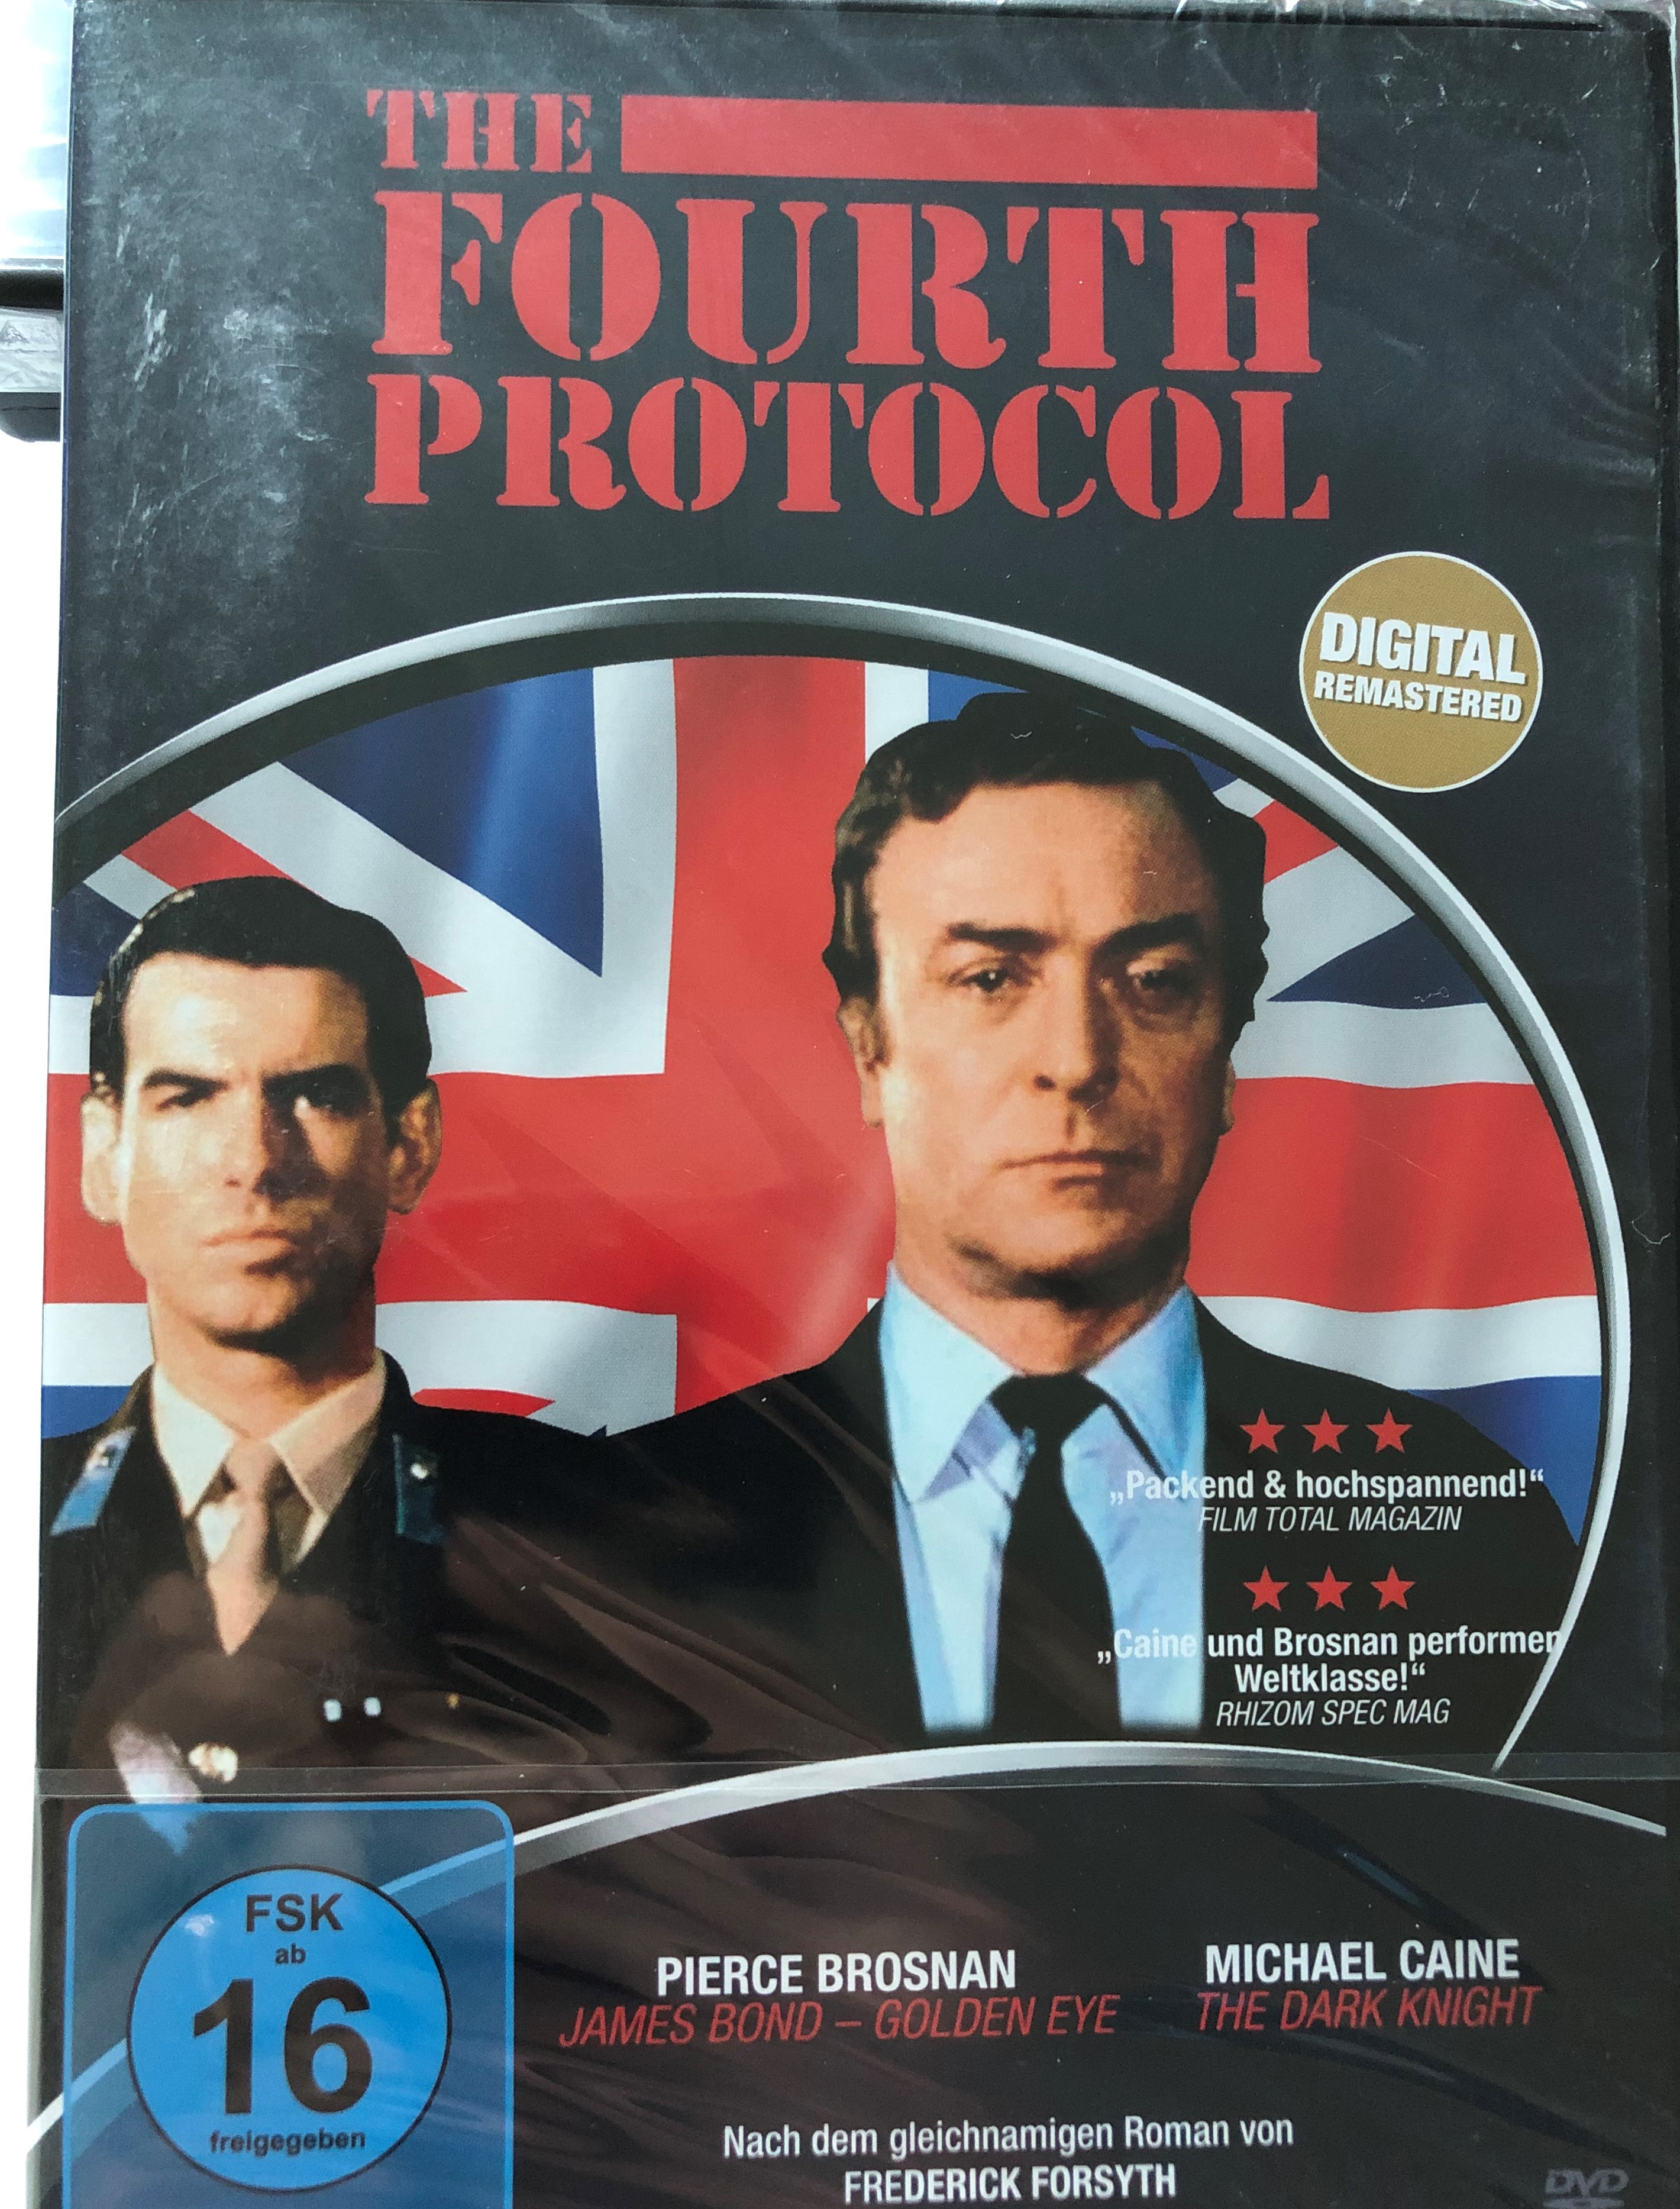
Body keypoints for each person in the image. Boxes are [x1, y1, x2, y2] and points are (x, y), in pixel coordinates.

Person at [593, 693, 1582, 1759]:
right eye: (989, 978)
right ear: (869, 1048)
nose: (1075, 1058)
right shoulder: (631, 1539)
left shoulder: (1467, 1530)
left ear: (1226, 1053)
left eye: (1153, 981)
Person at [39, 876, 694, 1781]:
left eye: (315, 1095)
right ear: (104, 1152)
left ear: (409, 1145)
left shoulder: (595, 1535)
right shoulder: (16, 1517)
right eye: (188, 1097)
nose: (255, 1160)